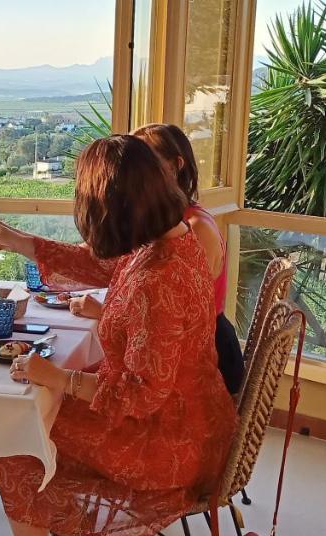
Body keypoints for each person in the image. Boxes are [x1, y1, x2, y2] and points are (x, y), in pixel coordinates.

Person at [0, 135, 236, 536]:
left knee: (17, 436)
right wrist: (13, 238)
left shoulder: (158, 278)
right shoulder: (173, 243)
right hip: (195, 418)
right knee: (39, 412)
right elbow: (95, 265)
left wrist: (58, 378)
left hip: (167, 441)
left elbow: (138, 397)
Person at [64, 123, 244, 394]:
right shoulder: (165, 230)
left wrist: (62, 378)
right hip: (175, 366)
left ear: (174, 166)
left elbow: (178, 322)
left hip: (208, 362)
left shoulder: (193, 229)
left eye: (143, 160)